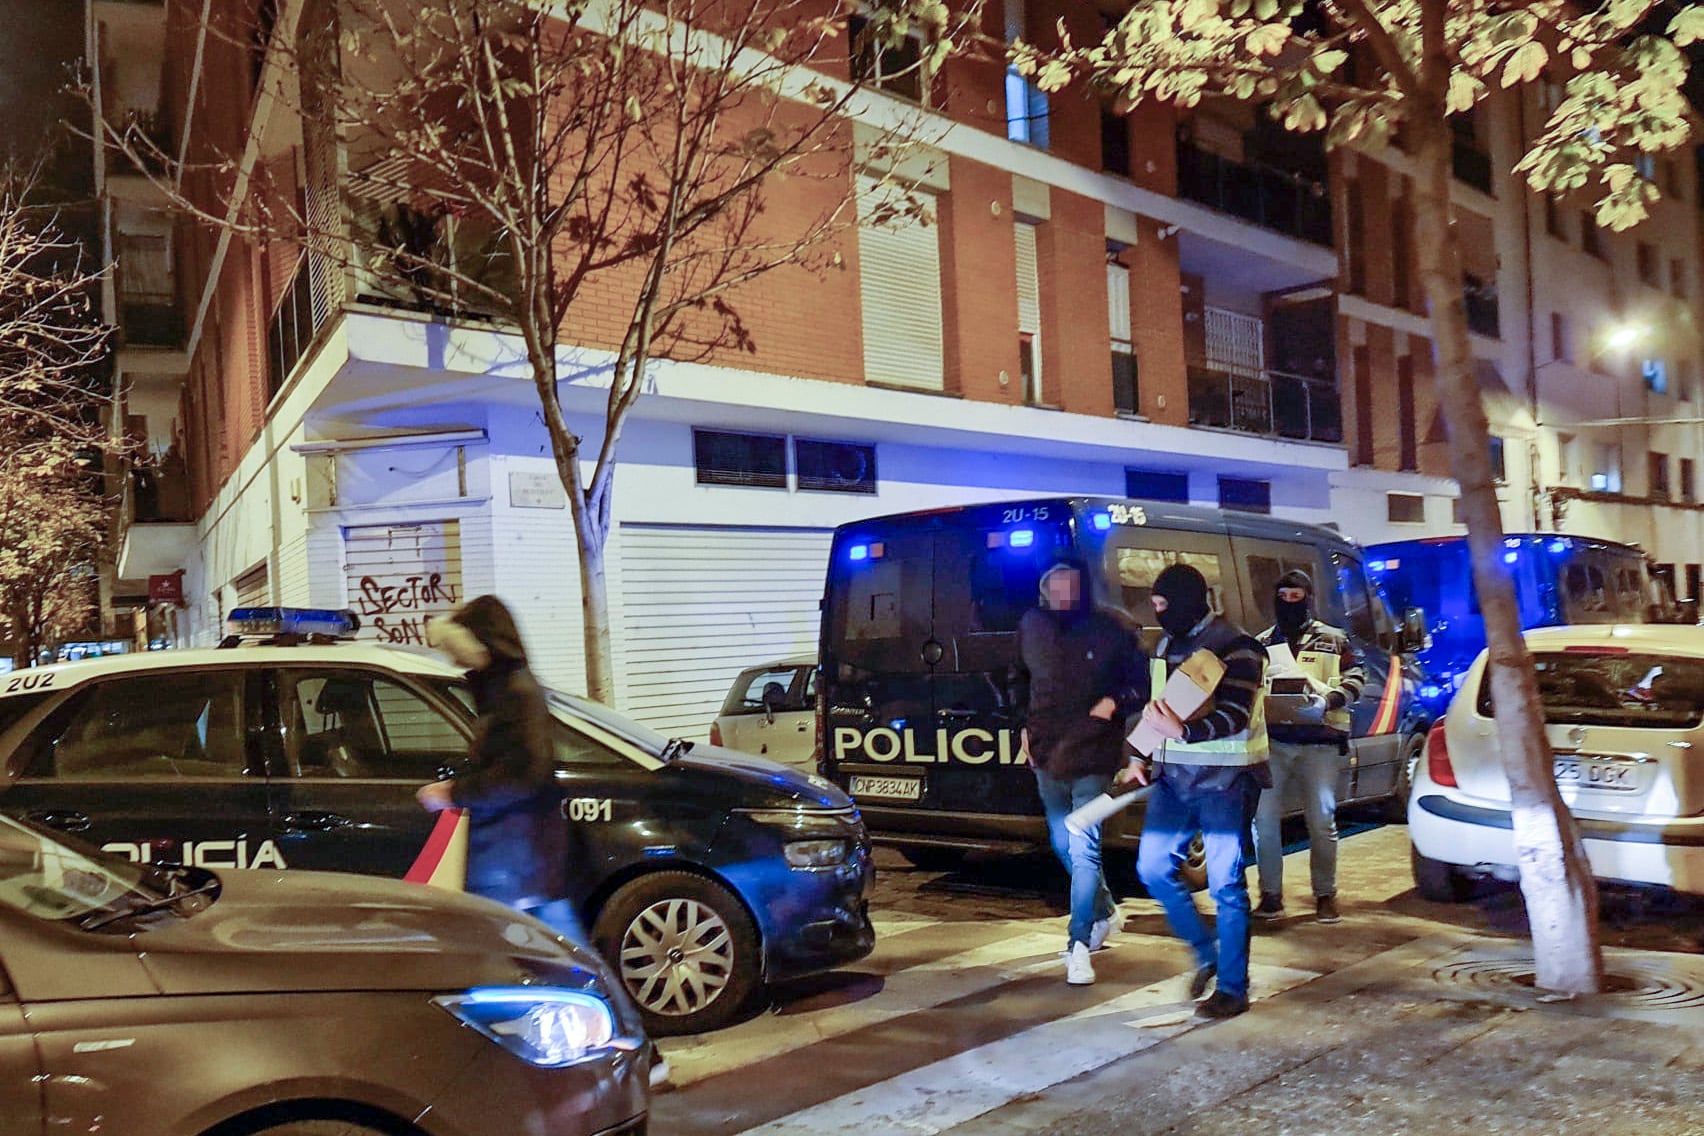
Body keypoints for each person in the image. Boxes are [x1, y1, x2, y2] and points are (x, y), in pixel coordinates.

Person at [417, 596, 671, 1088]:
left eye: (461, 650)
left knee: (565, 963)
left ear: (482, 643)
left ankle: (635, 1051)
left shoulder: (516, 692)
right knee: (551, 962)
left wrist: (455, 792)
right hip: (514, 857)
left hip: (523, 861)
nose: (456, 660)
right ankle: (609, 1052)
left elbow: (528, 774)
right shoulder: (500, 690)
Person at [1122, 563, 1269, 1019]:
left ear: (1188, 601)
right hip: (1173, 780)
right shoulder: (1167, 644)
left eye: (1164, 605)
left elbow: (1236, 716)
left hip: (1225, 784)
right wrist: (1138, 753)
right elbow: (1158, 712)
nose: (1158, 613)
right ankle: (1207, 953)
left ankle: (1232, 987)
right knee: (1152, 869)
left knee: (1227, 886)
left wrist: (1182, 732)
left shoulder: (1240, 647)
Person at [1017, 558, 1147, 987]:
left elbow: (1139, 686)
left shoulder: (1109, 629)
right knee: (1061, 844)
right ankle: (1106, 911)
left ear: (1083, 587)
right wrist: (1023, 730)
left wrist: (1112, 702)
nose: (1061, 594)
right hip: (1045, 753)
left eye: (1069, 585)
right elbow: (1022, 681)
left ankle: (1078, 943)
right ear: (1043, 590)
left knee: (1082, 846)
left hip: (1092, 752)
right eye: (1054, 586)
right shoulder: (1032, 626)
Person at [1253, 570, 1365, 924]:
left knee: (1321, 820)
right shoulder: (1263, 642)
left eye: (1296, 596)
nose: (1289, 603)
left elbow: (1358, 677)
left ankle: (1325, 894)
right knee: (1264, 822)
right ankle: (1271, 896)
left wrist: (1330, 700)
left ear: (1308, 597)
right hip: (1275, 742)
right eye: (1283, 596)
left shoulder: (1333, 639)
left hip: (1321, 742)